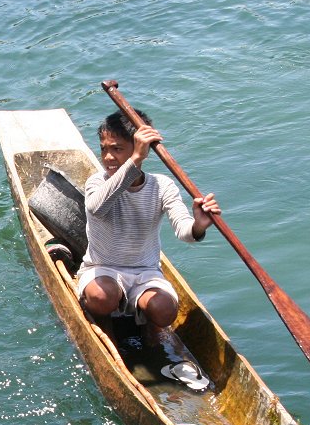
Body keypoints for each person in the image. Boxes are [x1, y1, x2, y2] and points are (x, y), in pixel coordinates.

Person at [77, 109, 221, 351]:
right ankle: (106, 331)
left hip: (145, 272)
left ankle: (148, 326)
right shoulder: (97, 182)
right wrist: (135, 160)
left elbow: (184, 231)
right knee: (103, 298)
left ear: (137, 148)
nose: (108, 157)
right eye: (104, 149)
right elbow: (97, 208)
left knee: (165, 311)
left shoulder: (161, 185)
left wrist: (199, 225)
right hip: (102, 269)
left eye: (117, 149)